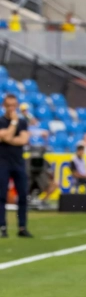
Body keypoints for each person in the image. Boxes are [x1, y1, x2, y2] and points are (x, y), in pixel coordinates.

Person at [0, 94, 32, 238]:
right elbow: (4, 136)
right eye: (9, 105)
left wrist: (9, 137)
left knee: (23, 195)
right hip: (3, 162)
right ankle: (2, 227)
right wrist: (13, 123)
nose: (12, 108)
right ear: (4, 106)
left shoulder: (23, 122)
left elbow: (23, 140)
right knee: (1, 196)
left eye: (14, 105)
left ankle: (22, 227)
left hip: (18, 163)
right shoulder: (2, 121)